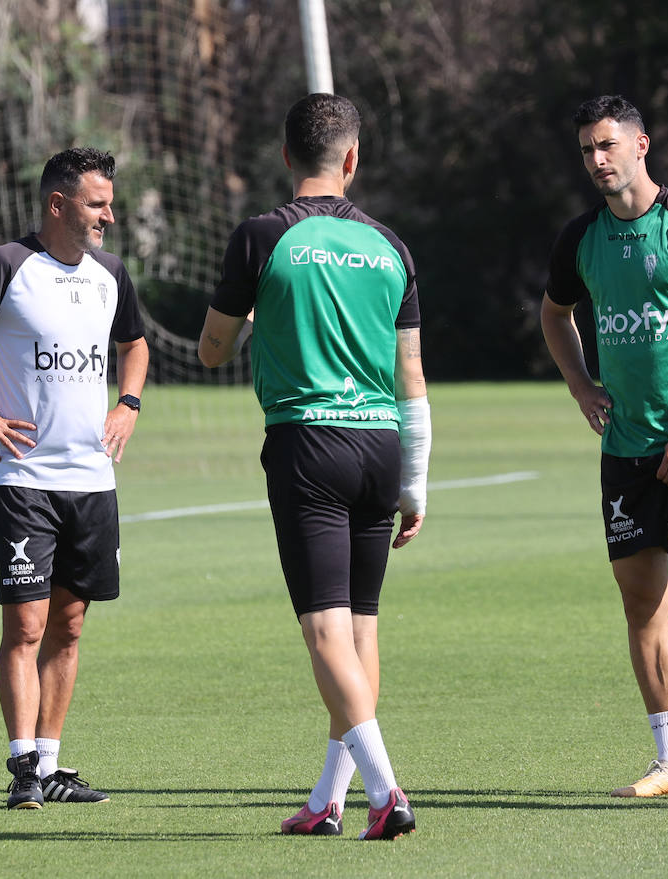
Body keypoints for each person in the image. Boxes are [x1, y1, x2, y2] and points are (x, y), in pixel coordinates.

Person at [199, 93, 430, 841]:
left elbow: (211, 349)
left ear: (286, 154)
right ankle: (329, 795)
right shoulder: (391, 246)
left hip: (309, 443)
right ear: (353, 159)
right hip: (382, 446)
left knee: (323, 628)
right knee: (361, 627)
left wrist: (261, 322)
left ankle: (387, 789)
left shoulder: (262, 237)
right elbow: (412, 375)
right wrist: (415, 480)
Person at [0, 147, 148, 810]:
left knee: (69, 625)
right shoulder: (5, 267)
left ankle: (51, 763)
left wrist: (128, 403)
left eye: (108, 202)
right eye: (97, 203)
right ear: (58, 204)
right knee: (25, 623)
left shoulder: (110, 274)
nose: (108, 214)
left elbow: (135, 342)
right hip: (22, 481)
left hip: (93, 482)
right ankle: (21, 767)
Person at [541, 95, 668, 800]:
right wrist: (580, 385)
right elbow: (554, 312)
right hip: (625, 449)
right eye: (586, 150)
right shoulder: (579, 238)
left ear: (640, 144)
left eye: (606, 145)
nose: (597, 160)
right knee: (642, 605)